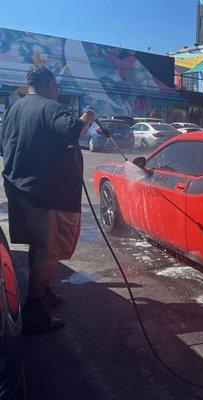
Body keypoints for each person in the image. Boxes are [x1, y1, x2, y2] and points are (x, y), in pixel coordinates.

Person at [0, 65, 96, 334]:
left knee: (38, 245)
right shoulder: (51, 107)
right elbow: (75, 131)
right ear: (49, 84)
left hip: (18, 190)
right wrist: (88, 116)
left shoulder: (13, 109)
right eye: (57, 86)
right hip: (45, 194)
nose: (57, 91)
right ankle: (33, 311)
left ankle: (42, 294)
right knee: (49, 250)